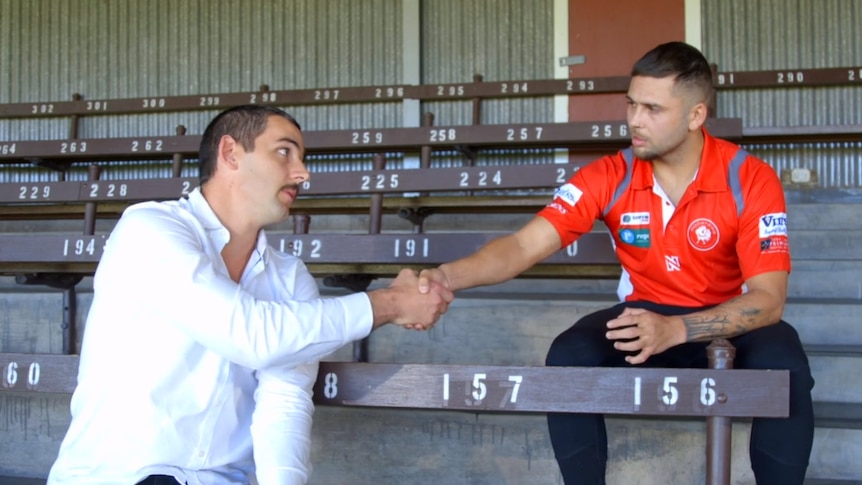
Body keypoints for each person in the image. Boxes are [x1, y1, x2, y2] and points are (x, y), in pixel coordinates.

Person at [418, 42, 814, 485]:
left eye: (652, 109)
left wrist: (679, 330)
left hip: (727, 320)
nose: (634, 120)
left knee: (788, 368)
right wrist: (443, 276)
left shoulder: (750, 177)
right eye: (631, 104)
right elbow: (522, 246)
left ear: (696, 115)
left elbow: (769, 301)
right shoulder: (610, 174)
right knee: (569, 354)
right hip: (645, 314)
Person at [48, 105, 453, 485]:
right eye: (284, 153)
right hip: (120, 475)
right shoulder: (149, 227)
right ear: (230, 153)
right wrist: (392, 302)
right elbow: (250, 335)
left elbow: (285, 400)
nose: (303, 173)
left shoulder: (290, 276)